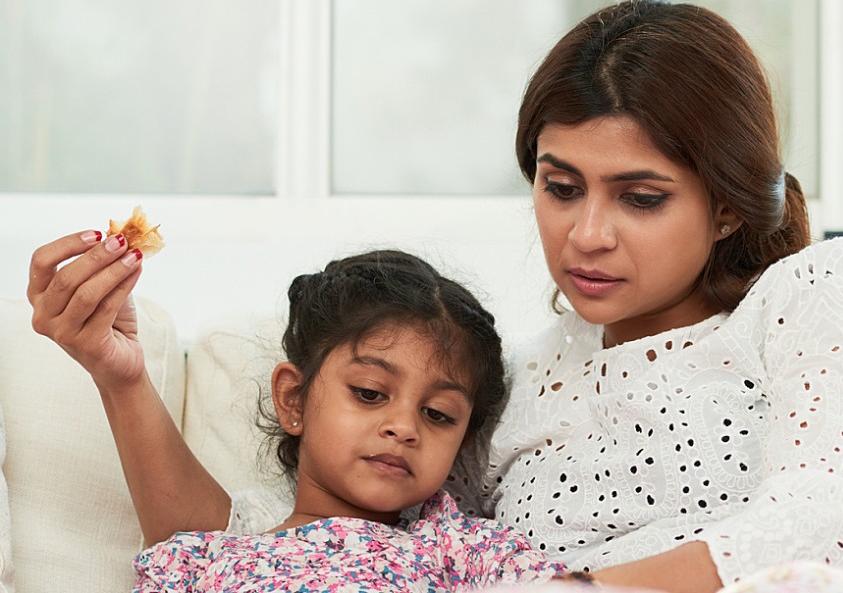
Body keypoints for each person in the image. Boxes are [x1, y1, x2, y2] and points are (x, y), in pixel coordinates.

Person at [29, 0, 843, 593]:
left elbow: (835, 517)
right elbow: (285, 553)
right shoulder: (515, 380)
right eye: (560, 187)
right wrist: (120, 378)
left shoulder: (815, 289)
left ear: (727, 208)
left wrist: (562, 590)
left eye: (639, 198)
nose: (584, 233)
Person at [29, 245, 562, 591]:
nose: (405, 427)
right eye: (371, 393)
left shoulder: (465, 549)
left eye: (437, 414)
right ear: (293, 400)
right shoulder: (202, 562)